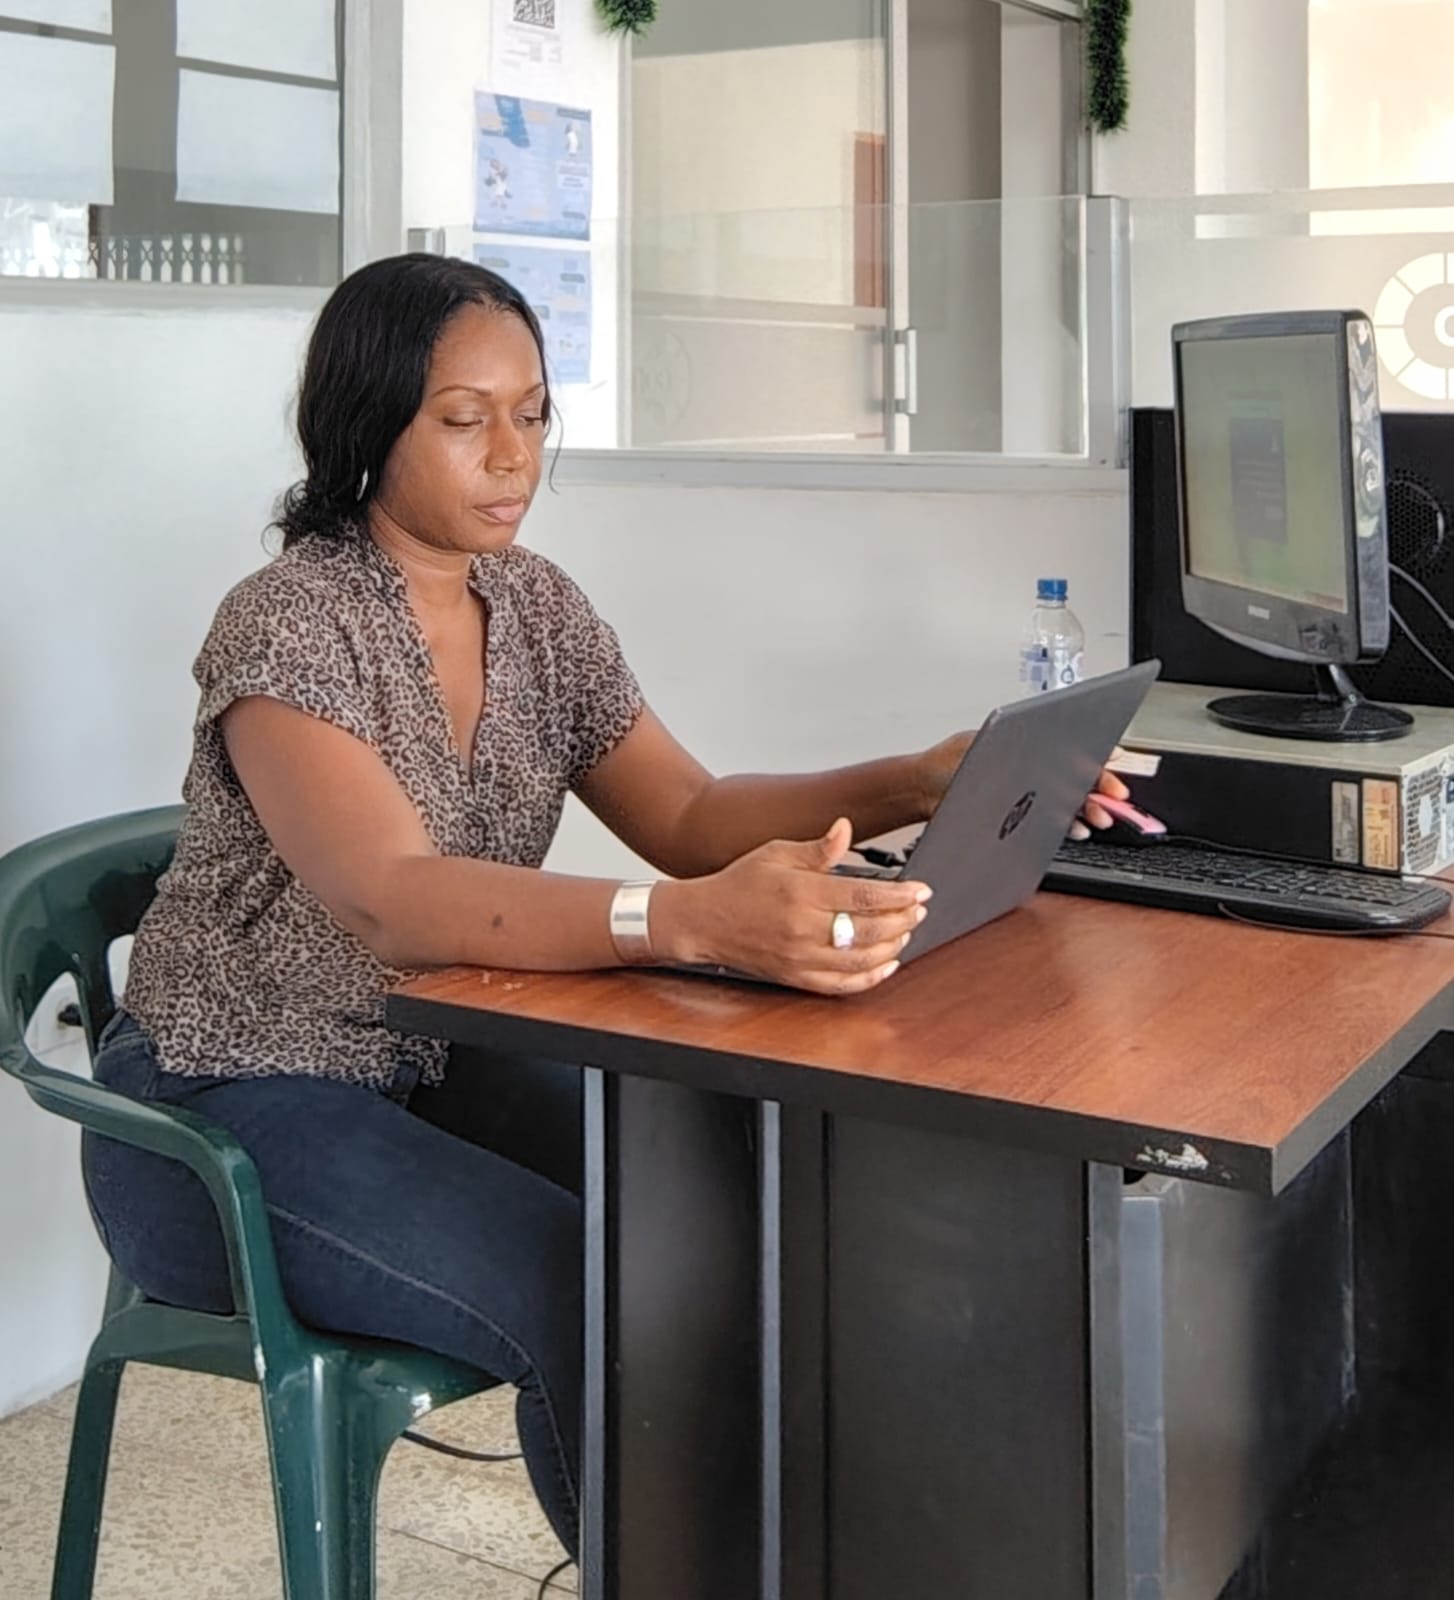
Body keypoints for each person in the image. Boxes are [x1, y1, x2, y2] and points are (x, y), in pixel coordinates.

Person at [81, 254, 1127, 1560]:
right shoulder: (288, 626)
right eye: (464, 420)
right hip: (223, 1109)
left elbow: (686, 812)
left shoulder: (534, 605)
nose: (512, 454)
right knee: (579, 1283)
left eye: (532, 413)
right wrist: (679, 922)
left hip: (425, 1057)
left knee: (722, 1198)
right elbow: (394, 900)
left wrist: (919, 778)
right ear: (367, 426)